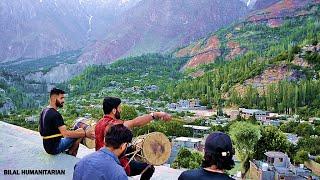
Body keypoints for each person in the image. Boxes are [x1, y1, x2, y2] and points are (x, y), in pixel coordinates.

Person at [95, 97, 172, 180]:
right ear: (114, 110)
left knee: (131, 149)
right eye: (119, 108)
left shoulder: (99, 123)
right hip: (116, 164)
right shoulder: (114, 125)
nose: (120, 110)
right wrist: (155, 115)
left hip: (101, 158)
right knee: (149, 167)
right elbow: (135, 122)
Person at [39, 88, 95, 156]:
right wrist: (85, 134)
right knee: (81, 133)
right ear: (54, 99)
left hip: (47, 145)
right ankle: (71, 153)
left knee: (79, 131)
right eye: (61, 98)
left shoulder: (44, 110)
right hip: (55, 148)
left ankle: (70, 151)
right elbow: (66, 134)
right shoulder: (55, 114)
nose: (63, 101)